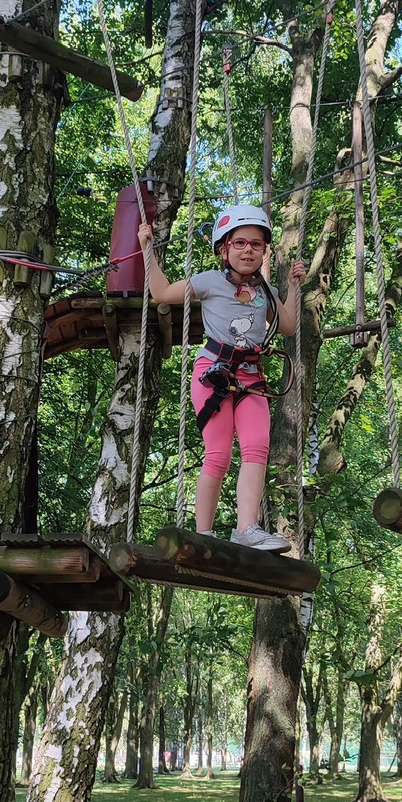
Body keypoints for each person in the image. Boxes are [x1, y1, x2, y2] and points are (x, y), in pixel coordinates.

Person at [138, 204, 306, 551]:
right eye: (240, 243)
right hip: (213, 375)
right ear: (223, 249)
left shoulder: (266, 292)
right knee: (219, 454)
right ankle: (204, 533)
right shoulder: (209, 281)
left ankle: (247, 527)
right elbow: (162, 293)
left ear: (264, 251)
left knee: (257, 447)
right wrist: (147, 250)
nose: (248, 250)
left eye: (256, 245)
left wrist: (293, 286)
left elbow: (287, 325)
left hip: (251, 378)